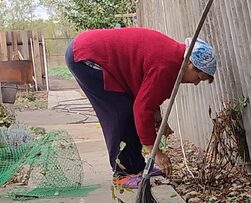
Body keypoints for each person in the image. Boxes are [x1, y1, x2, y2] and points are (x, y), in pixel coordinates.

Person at [65, 27, 217, 189]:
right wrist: (156, 153)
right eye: (199, 78)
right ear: (190, 65)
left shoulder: (173, 60)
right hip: (85, 57)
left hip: (88, 52)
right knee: (122, 112)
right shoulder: (166, 66)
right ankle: (123, 174)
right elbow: (142, 109)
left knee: (129, 110)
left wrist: (158, 121)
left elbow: (150, 96)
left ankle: (136, 167)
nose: (195, 83)